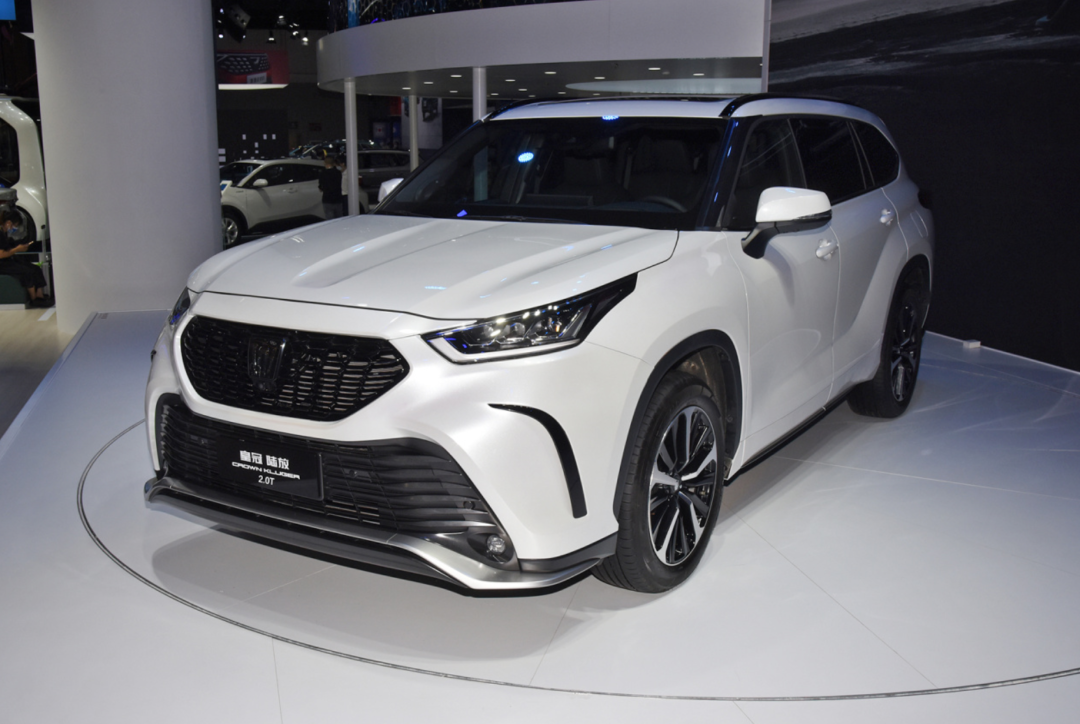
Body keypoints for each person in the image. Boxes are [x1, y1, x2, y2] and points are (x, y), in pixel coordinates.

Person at [0, 208, 51, 307]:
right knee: (27, 271)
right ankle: (33, 299)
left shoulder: (4, 233)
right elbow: (1, 254)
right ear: (9, 223)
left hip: (7, 260)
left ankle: (39, 295)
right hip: (2, 264)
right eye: (15, 225)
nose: (14, 228)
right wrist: (17, 249)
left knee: (35, 268)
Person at [318, 155, 343, 220]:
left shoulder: (323, 173)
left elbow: (321, 186)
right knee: (339, 218)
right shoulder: (338, 173)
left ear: (325, 163)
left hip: (327, 199)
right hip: (338, 198)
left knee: (330, 219)